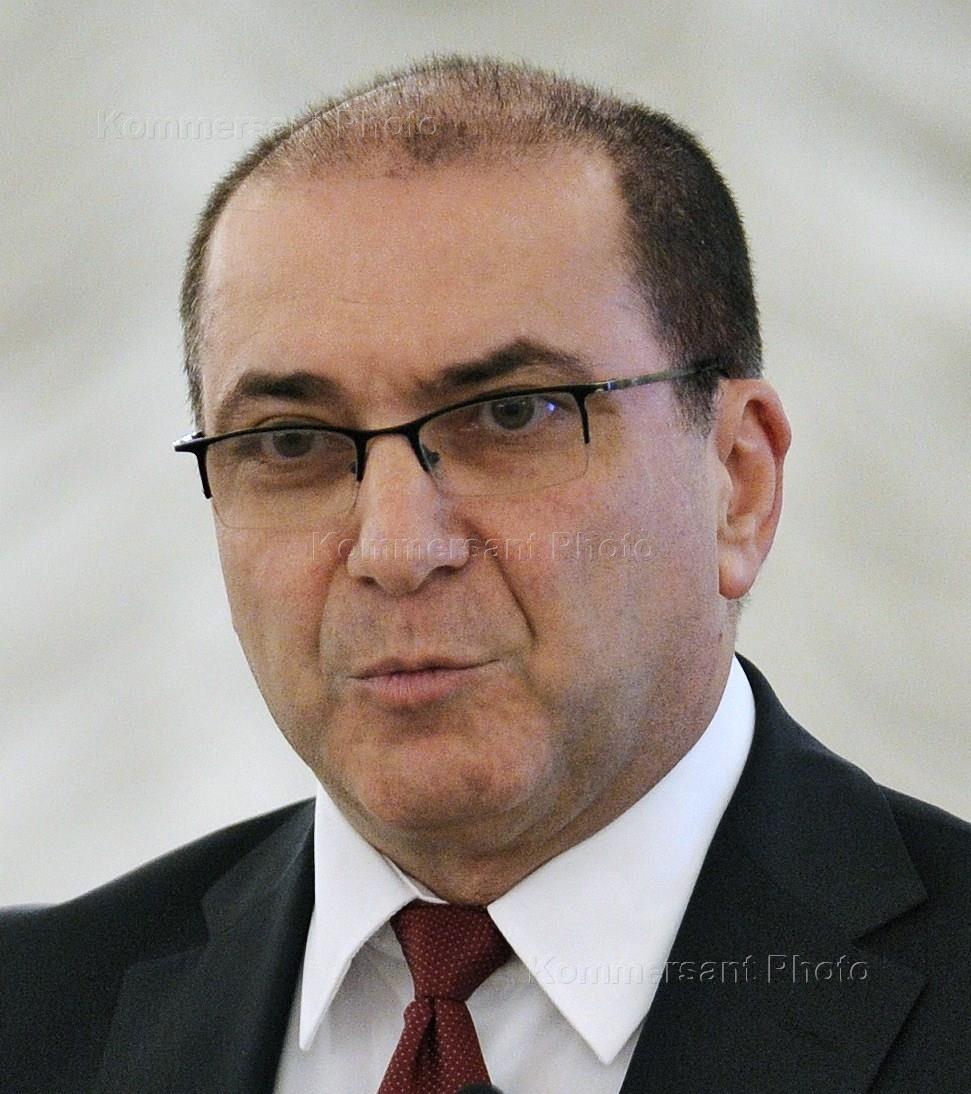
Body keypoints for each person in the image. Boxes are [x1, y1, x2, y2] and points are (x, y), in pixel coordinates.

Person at [2, 56, 969, 1094]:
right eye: (290, 442)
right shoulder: (29, 1014)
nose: (394, 550)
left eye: (509, 416)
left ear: (737, 481)